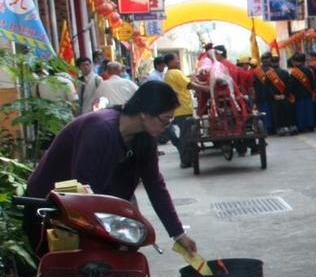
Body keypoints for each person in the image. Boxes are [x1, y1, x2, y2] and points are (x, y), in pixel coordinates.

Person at [23, 80, 198, 256]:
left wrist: (178, 234)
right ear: (145, 113)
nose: (166, 127)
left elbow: (155, 185)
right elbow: (82, 187)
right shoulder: (100, 129)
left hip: (81, 207)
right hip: (48, 207)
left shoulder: (144, 139)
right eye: (165, 120)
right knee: (68, 267)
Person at [163, 53, 194, 168]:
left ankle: (187, 159)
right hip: (183, 108)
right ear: (170, 61)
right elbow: (189, 85)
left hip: (180, 109)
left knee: (186, 134)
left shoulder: (169, 74)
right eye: (176, 59)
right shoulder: (175, 72)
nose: (178, 61)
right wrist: (205, 88)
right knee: (186, 135)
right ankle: (185, 160)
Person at [288, 53, 316, 132]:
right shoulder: (308, 70)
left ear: (295, 61)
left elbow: (291, 85)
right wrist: (313, 91)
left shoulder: (293, 72)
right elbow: (313, 82)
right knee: (309, 110)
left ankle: (302, 126)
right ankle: (310, 125)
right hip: (308, 93)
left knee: (300, 111)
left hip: (298, 95)